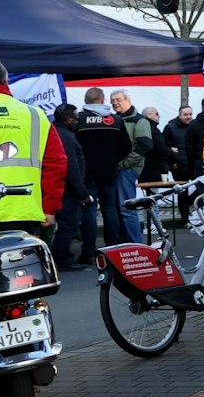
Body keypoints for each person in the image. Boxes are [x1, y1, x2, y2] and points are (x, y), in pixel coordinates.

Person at [0, 58, 67, 239]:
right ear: (5, 81)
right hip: (26, 212)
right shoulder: (36, 115)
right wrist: (49, 208)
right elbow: (56, 163)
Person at [75, 87, 133, 246]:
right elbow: (127, 147)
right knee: (110, 210)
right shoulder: (116, 120)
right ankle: (113, 247)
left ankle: (88, 251)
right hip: (109, 172)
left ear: (86, 101)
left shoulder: (79, 120)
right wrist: (113, 160)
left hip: (86, 173)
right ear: (102, 100)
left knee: (89, 210)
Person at [49, 104, 94, 268]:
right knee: (68, 224)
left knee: (65, 224)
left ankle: (58, 256)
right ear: (68, 119)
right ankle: (62, 258)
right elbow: (71, 167)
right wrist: (82, 191)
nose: (78, 122)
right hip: (67, 189)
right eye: (76, 118)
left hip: (62, 187)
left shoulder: (57, 132)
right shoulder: (66, 137)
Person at [110, 90, 152, 240]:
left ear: (128, 99)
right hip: (120, 169)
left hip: (127, 169)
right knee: (119, 208)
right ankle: (126, 245)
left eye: (118, 99)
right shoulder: (116, 119)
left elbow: (145, 146)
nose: (115, 102)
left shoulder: (139, 121)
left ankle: (136, 245)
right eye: (112, 100)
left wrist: (123, 164)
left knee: (127, 209)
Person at [163, 105, 200, 181]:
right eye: (185, 115)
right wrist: (172, 163)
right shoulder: (170, 128)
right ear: (179, 115)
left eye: (190, 114)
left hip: (194, 165)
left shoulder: (195, 126)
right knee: (182, 191)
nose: (189, 117)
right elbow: (165, 146)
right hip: (179, 167)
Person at [139, 106, 173, 184]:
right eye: (156, 114)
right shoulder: (153, 130)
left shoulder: (142, 127)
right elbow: (159, 148)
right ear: (149, 115)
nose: (159, 116)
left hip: (144, 168)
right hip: (154, 168)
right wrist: (170, 150)